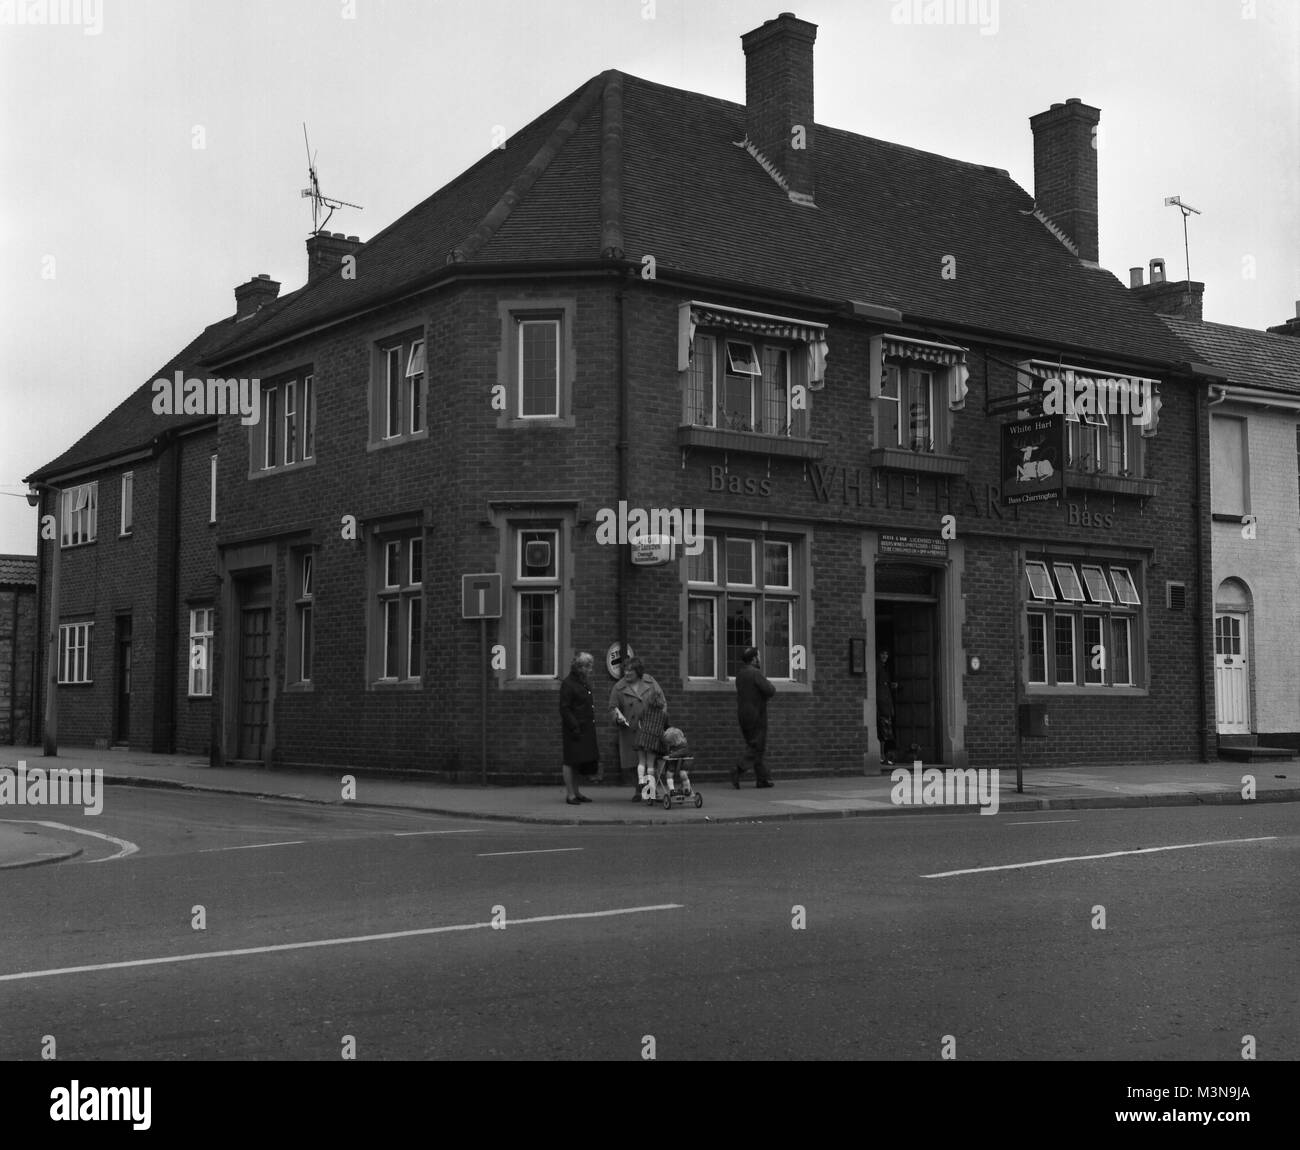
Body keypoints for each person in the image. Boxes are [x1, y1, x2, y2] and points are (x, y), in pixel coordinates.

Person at [609, 657, 666, 801]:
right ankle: (638, 789)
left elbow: (662, 701)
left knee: (652, 760)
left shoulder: (650, 681)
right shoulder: (618, 687)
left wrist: (661, 719)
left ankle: (652, 791)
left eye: (630, 670)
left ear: (638, 672)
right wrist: (617, 718)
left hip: (651, 728)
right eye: (625, 670)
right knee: (635, 761)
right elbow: (612, 708)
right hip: (631, 730)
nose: (627, 673)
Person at [559, 651, 599, 804]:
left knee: (578, 761)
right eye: (589, 667)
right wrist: (574, 726)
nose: (591, 670)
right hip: (573, 729)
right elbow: (565, 708)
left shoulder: (582, 682)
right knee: (570, 761)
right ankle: (570, 795)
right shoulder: (568, 684)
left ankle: (576, 792)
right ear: (580, 667)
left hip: (584, 728)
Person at [733, 646, 775, 788]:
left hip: (743, 715)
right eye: (759, 656)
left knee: (756, 746)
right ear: (753, 659)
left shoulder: (740, 674)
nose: (760, 659)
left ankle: (762, 779)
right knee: (756, 746)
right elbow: (770, 690)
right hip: (756, 715)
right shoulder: (755, 673)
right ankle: (738, 769)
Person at [877, 648, 899, 766]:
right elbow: (880, 687)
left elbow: (885, 685)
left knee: (887, 732)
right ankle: (883, 756)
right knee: (883, 732)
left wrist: (892, 685)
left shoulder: (885, 667)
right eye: (883, 653)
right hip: (882, 704)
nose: (885, 655)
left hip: (887, 703)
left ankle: (887, 757)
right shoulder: (878, 666)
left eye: (886, 653)